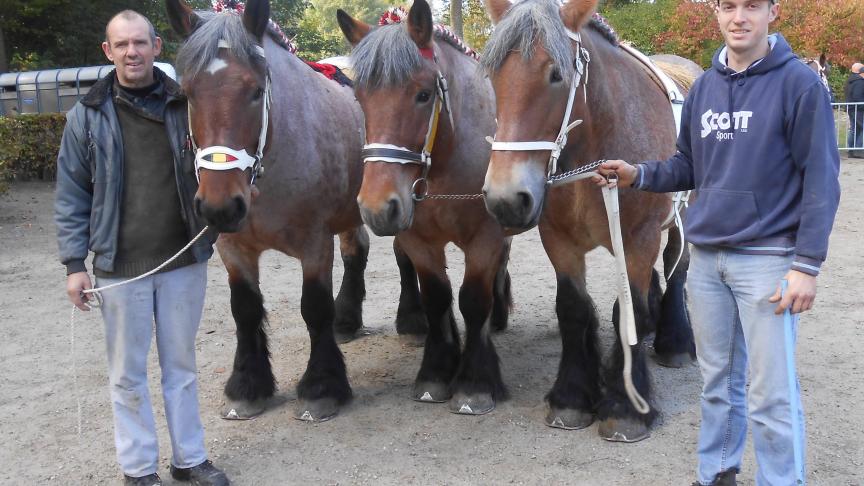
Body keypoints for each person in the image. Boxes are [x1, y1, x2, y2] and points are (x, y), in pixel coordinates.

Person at [592, 0, 840, 484]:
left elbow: (821, 181)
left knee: (771, 394)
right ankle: (716, 473)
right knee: (717, 385)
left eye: (751, 6)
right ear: (717, 13)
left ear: (773, 12)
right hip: (706, 262)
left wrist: (806, 265)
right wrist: (637, 174)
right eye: (728, 6)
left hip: (768, 261)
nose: (739, 17)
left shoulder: (799, 85)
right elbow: (688, 165)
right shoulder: (704, 87)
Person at [54, 10, 228, 486]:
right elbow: (71, 194)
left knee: (182, 367)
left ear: (156, 47)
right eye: (122, 44)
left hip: (182, 258)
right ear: (108, 51)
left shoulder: (186, 105)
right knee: (127, 375)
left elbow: (222, 156)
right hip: (119, 266)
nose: (132, 52)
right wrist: (74, 264)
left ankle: (190, 459)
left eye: (140, 42)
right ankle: (138, 469)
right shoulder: (86, 116)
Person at [843, 62, 864, 158]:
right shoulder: (860, 82)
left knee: (854, 129)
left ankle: (851, 150)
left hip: (852, 108)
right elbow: (857, 97)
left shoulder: (850, 80)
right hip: (857, 108)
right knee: (860, 128)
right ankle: (858, 150)